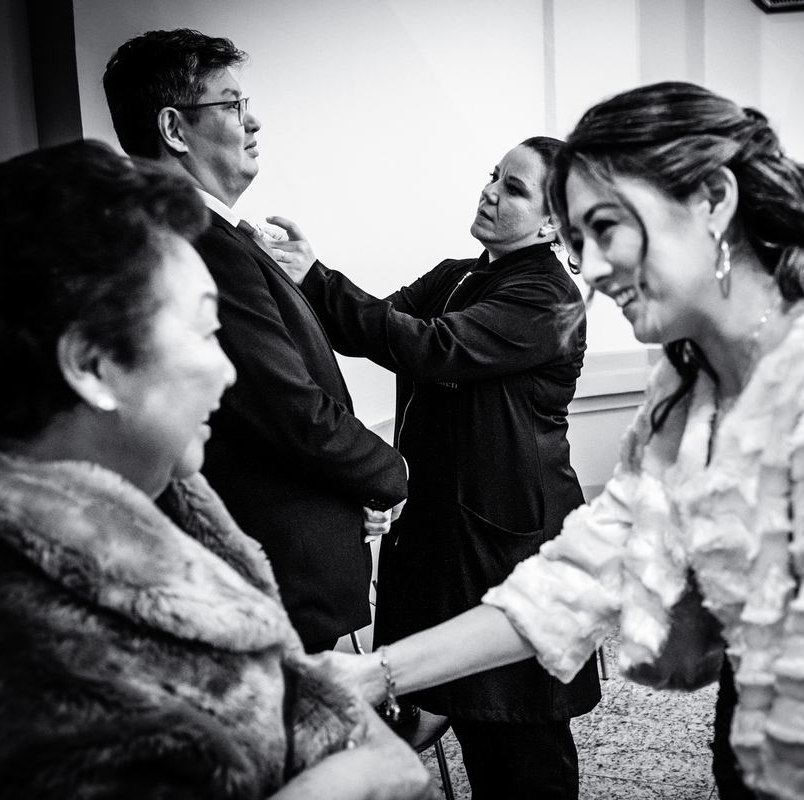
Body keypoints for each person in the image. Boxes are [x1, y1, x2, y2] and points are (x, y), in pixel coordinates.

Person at [328, 82, 804, 800]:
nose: (595, 269)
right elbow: (581, 577)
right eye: (579, 237)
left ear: (713, 202)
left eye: (606, 229)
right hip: (760, 723)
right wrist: (379, 672)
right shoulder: (684, 387)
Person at [0, 140, 433, 799]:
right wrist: (357, 778)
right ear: (94, 363)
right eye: (203, 331)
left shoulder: (167, 510)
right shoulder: (6, 653)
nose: (226, 370)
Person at [274, 137, 601, 800]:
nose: (488, 192)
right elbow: (370, 325)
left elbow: (430, 348)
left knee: (518, 723)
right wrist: (282, 277)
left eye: (512, 187)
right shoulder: (459, 273)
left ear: (550, 223)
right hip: (442, 525)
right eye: (492, 176)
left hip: (510, 537)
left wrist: (317, 277)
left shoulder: (548, 298)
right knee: (463, 696)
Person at [102, 29, 408, 654]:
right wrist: (388, 469)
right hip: (270, 553)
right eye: (232, 104)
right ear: (174, 127)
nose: (253, 121)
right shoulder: (202, 239)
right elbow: (281, 401)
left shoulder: (204, 231)